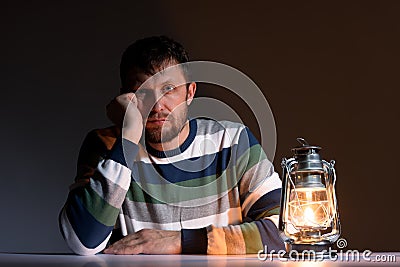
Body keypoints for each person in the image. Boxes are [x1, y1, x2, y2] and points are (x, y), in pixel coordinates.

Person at [59, 36, 284, 255]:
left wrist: (181, 241)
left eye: (168, 89)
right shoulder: (106, 145)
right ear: (125, 97)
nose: (157, 106)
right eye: (142, 91)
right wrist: (128, 136)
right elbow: (83, 243)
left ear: (190, 92)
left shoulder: (233, 141)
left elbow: (285, 232)